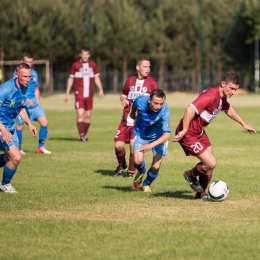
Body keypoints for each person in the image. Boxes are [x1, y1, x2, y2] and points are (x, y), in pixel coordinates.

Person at [172, 71, 257, 199]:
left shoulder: (222, 97)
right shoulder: (211, 96)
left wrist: (243, 124)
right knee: (211, 163)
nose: (233, 92)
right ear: (223, 84)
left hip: (199, 132)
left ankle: (200, 195)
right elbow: (190, 109)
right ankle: (190, 175)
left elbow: (228, 109)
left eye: (235, 89)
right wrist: (184, 130)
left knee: (209, 167)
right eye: (231, 88)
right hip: (188, 133)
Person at [113, 57, 159, 178]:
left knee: (133, 144)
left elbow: (157, 102)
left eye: (149, 67)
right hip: (125, 120)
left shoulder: (152, 83)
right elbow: (123, 94)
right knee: (118, 146)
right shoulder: (130, 81)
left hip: (140, 122)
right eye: (144, 66)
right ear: (137, 67)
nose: (147, 69)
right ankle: (121, 165)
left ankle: (130, 172)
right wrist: (123, 100)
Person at [0, 63, 37, 193]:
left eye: (29, 76)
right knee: (16, 158)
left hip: (10, 127)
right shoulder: (6, 89)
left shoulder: (24, 88)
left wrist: (29, 123)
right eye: (25, 76)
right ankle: (5, 184)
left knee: (7, 158)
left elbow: (20, 107)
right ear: (17, 75)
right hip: (1, 127)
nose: (28, 79)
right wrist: (3, 129)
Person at [130, 89, 171, 192]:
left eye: (161, 103)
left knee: (155, 167)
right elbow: (134, 104)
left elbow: (167, 135)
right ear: (149, 100)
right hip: (142, 134)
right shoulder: (140, 101)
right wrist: (132, 114)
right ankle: (141, 171)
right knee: (137, 161)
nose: (158, 106)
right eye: (156, 103)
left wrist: (151, 145)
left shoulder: (165, 110)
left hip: (159, 137)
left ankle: (146, 184)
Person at [64, 47, 104, 141]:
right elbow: (71, 79)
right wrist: (67, 93)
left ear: (89, 55)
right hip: (79, 93)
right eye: (83, 54)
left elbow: (96, 78)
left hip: (89, 94)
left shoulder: (93, 65)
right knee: (80, 114)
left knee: (88, 115)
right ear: (80, 55)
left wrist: (101, 89)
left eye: (87, 54)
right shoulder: (75, 65)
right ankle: (82, 135)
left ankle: (84, 135)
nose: (85, 56)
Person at [15, 52, 51, 154]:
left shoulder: (34, 73)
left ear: (33, 62)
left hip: (34, 104)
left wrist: (38, 102)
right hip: (22, 103)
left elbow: (36, 89)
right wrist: (26, 99)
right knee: (20, 126)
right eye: (26, 62)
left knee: (44, 122)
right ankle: (19, 148)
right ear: (22, 61)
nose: (28, 64)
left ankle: (40, 147)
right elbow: (15, 90)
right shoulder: (17, 73)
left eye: (30, 62)